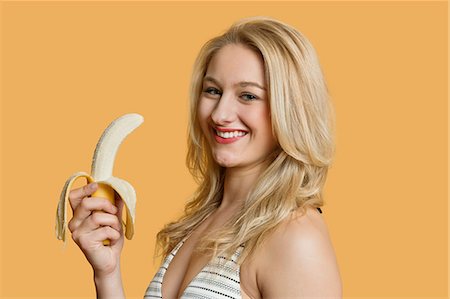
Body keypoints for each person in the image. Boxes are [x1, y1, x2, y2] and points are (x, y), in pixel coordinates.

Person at [67, 16, 342, 299]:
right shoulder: (202, 223)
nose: (219, 114)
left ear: (291, 110)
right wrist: (107, 274)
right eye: (213, 91)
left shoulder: (296, 239)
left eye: (248, 96)